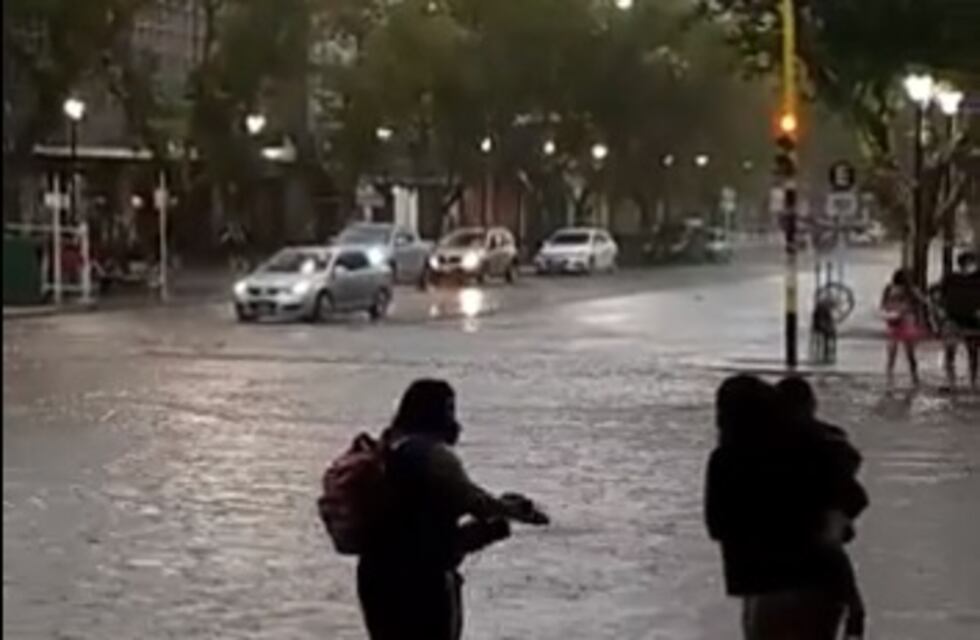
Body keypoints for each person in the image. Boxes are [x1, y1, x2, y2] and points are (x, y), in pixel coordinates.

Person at [357, 379, 548, 640]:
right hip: (421, 582)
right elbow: (477, 504)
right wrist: (514, 510)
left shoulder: (388, 445)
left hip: (376, 575)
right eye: (449, 409)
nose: (455, 420)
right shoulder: (433, 455)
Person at [705, 374, 860, 640]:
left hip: (764, 583)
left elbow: (717, 525)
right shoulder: (805, 446)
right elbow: (853, 495)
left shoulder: (726, 460)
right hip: (822, 582)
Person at [776, 376, 869, 639]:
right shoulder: (831, 442)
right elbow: (856, 496)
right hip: (820, 572)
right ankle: (855, 608)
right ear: (811, 405)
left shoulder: (759, 446)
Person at [940, 252, 980, 390]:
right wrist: (940, 312)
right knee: (950, 351)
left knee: (973, 352)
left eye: (974, 262)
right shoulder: (951, 278)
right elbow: (940, 294)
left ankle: (973, 382)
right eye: (970, 262)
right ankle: (951, 382)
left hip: (974, 321)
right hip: (952, 319)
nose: (972, 265)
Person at [880, 268, 922, 387]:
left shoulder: (893, 289)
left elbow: (883, 304)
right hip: (901, 320)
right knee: (907, 352)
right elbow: (921, 302)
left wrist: (891, 310)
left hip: (900, 320)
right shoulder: (909, 290)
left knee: (895, 351)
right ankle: (913, 376)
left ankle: (891, 376)